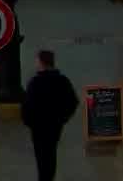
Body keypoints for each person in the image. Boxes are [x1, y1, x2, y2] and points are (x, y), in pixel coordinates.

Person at [21, 49, 79, 180]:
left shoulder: (35, 82)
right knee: (51, 155)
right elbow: (73, 102)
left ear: (41, 62)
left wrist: (29, 122)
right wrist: (63, 118)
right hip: (55, 126)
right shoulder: (62, 81)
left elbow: (26, 106)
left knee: (41, 158)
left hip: (38, 128)